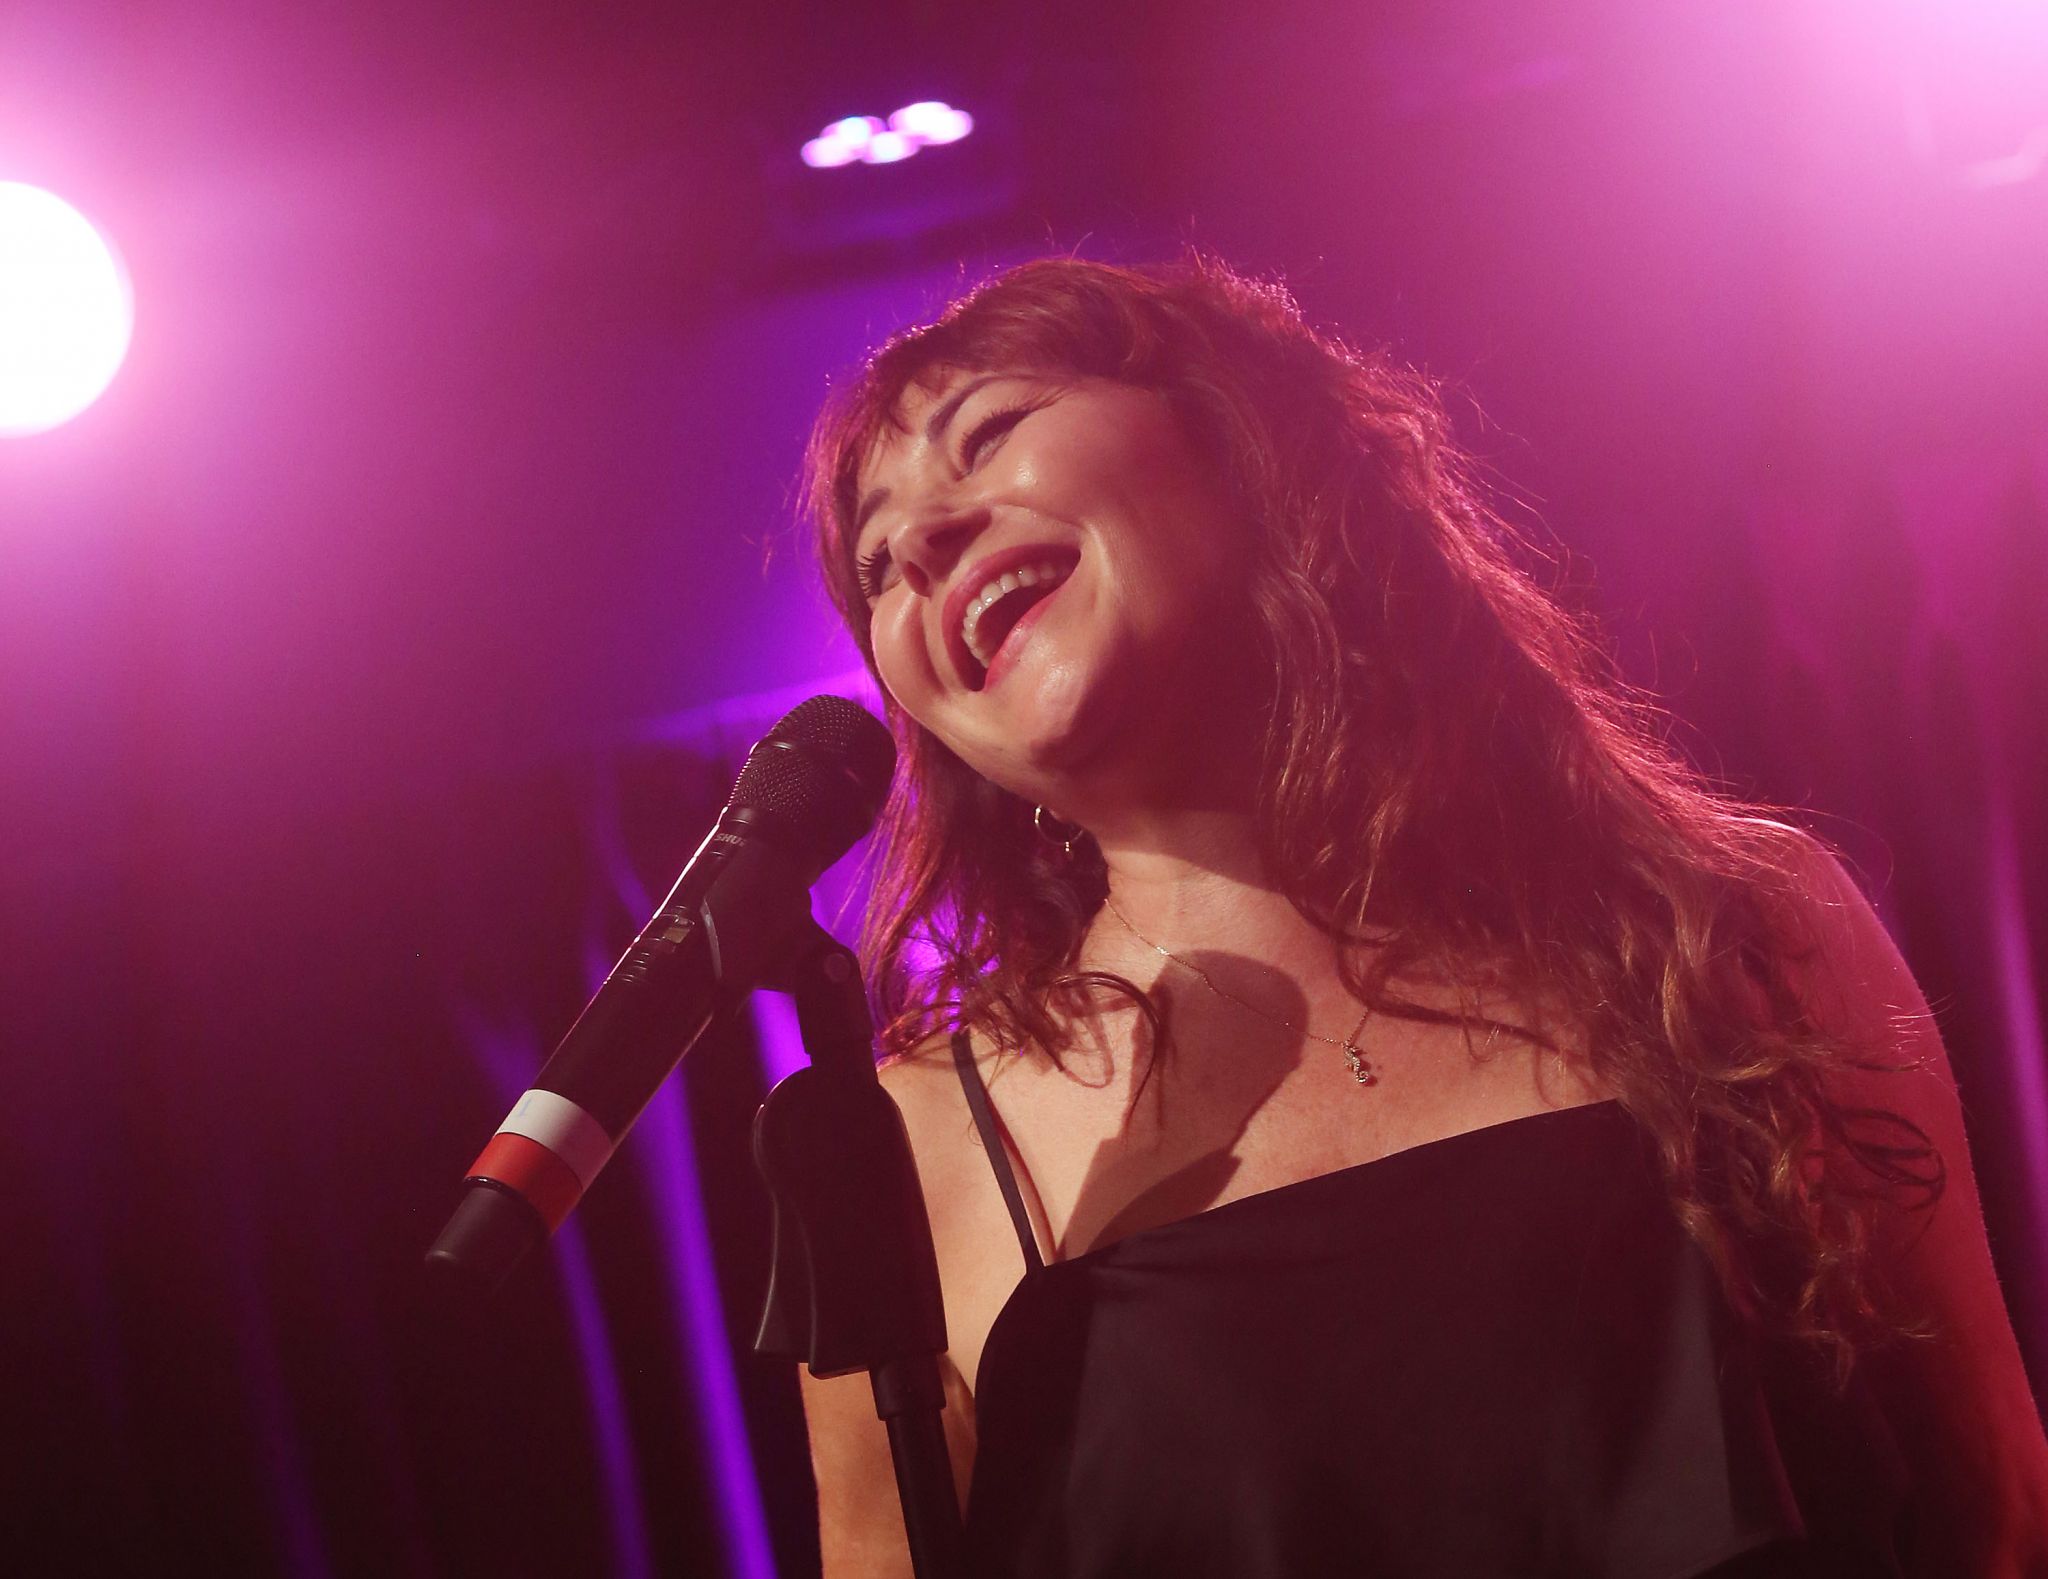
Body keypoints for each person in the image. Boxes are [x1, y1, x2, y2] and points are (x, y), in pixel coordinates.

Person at [792, 254, 2048, 1578]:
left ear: (1236, 445)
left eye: (986, 437)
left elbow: (1997, 1515)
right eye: (876, 564)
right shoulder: (915, 1148)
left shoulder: (1734, 928)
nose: (922, 547)